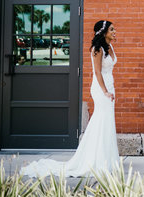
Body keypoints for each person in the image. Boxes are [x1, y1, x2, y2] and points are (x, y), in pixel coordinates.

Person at [21, 20, 119, 177]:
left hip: (110, 87)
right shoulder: (97, 49)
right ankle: (94, 160)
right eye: (112, 29)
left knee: (107, 122)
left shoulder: (110, 47)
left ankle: (106, 158)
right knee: (101, 121)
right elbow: (98, 73)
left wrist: (110, 90)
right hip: (101, 90)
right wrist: (105, 91)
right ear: (103, 32)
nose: (115, 32)